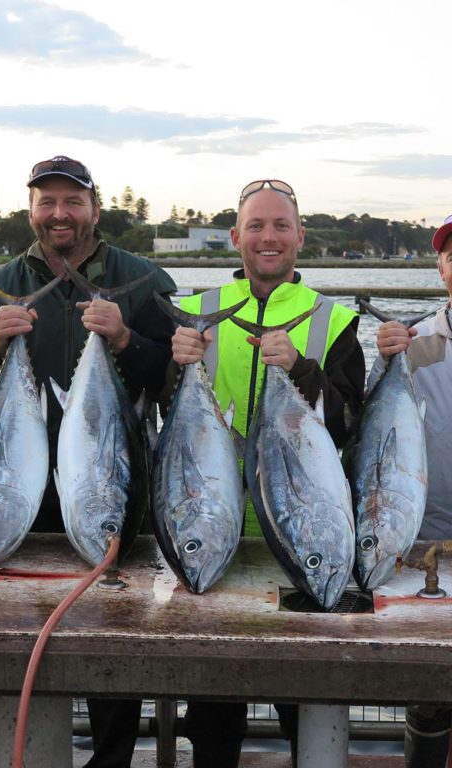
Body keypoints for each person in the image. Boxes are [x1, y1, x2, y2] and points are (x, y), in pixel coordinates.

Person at [0, 155, 176, 768]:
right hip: (21, 499)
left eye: (72, 201)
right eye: (47, 202)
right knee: (18, 633)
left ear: (94, 209)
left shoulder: (143, 279)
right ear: (30, 210)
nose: (59, 214)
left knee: (115, 641)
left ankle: (110, 761)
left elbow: (169, 380)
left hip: (111, 484)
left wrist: (128, 339)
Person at [170, 179, 365, 767]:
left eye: (281, 225)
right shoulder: (199, 313)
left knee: (305, 711)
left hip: (302, 541)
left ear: (301, 236)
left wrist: (302, 369)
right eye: (256, 226)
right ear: (235, 237)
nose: (269, 237)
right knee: (211, 722)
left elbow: (351, 420)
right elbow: (165, 419)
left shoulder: (333, 320)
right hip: (214, 540)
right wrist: (172, 363)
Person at [373, 213, 452, 768]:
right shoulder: (422, 344)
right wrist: (385, 358)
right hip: (433, 547)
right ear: (441, 267)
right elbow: (382, 424)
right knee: (429, 698)